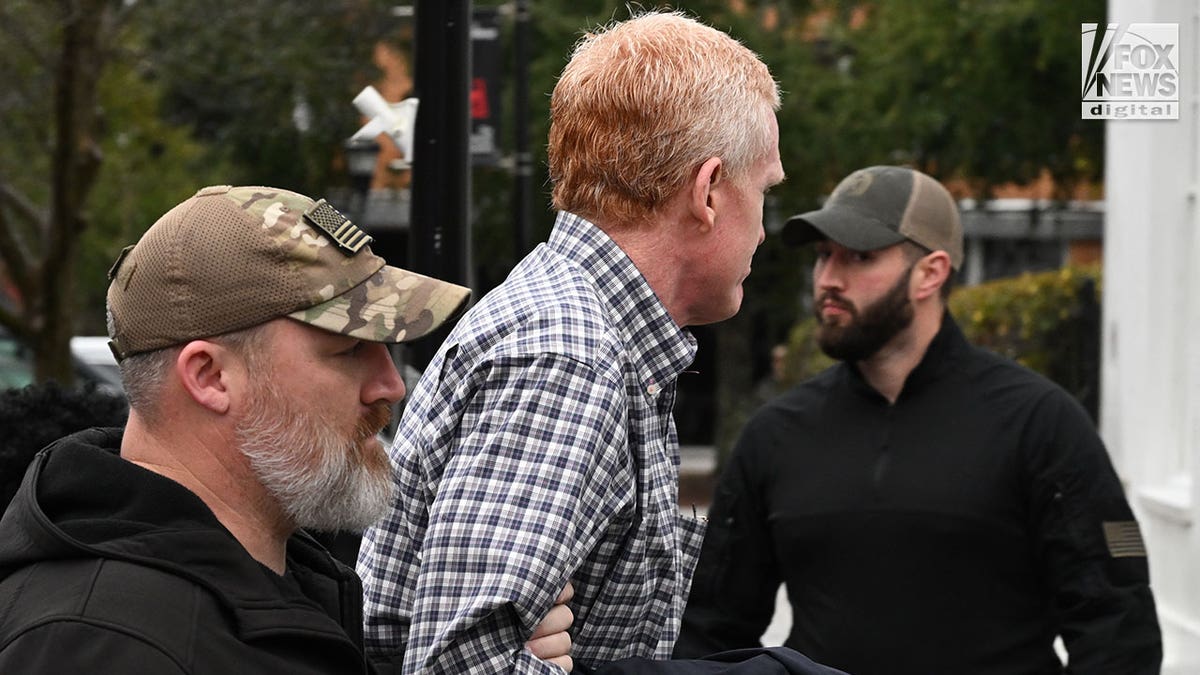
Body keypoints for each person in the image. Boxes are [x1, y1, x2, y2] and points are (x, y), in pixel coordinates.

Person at [357, 9, 785, 674]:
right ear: (707, 192)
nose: (765, 228)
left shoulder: (579, 326)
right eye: (764, 192)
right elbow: (460, 664)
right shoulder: (568, 355)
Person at [0, 185, 574, 673]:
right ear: (210, 376)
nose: (389, 385)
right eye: (348, 350)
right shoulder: (106, 642)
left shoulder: (284, 582)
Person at [674, 165, 1163, 674]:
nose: (829, 280)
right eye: (823, 257)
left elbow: (1117, 628)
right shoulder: (776, 434)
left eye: (860, 257)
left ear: (931, 272)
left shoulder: (1039, 423)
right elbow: (712, 629)